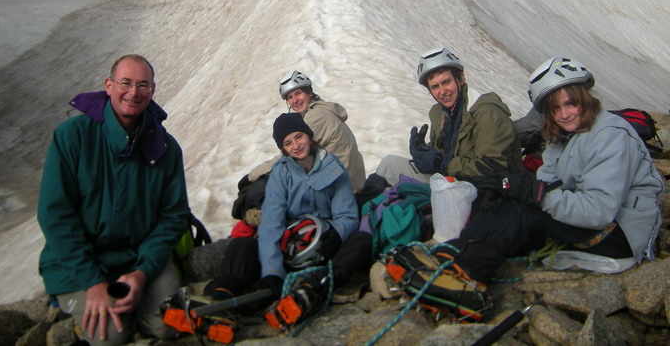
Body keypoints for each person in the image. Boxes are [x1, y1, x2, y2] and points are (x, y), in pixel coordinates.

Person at [405, 56, 665, 318]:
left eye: (570, 103)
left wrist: (535, 194)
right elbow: (547, 180)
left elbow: (598, 210)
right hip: (593, 220)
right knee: (501, 199)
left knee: (518, 210)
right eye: (554, 109)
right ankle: (452, 258)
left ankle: (467, 280)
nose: (564, 114)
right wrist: (524, 190)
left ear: (585, 98)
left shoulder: (610, 136)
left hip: (621, 235)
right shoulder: (563, 135)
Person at [37, 54, 189, 345]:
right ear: (108, 86)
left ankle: (136, 304)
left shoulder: (166, 149)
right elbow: (55, 215)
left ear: (152, 91)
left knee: (168, 326)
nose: (133, 93)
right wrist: (91, 282)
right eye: (125, 83)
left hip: (139, 257)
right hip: (81, 263)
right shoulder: (72, 137)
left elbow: (173, 216)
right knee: (111, 336)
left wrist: (142, 272)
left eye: (143, 85)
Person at [205, 113, 372, 322]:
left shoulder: (333, 166)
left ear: (309, 137)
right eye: (288, 142)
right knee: (242, 246)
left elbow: (346, 215)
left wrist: (338, 234)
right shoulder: (280, 174)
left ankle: (317, 285)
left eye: (299, 137)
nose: (296, 145)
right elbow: (271, 224)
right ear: (283, 149)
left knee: (361, 241)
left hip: (324, 244)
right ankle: (224, 293)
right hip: (290, 246)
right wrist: (272, 271)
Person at [231, 70, 366, 236]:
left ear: (309, 92)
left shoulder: (316, 117)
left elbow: (288, 158)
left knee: (264, 187)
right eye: (289, 97)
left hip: (344, 192)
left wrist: (252, 176)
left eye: (298, 93)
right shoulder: (319, 110)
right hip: (344, 181)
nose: (294, 100)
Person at [376, 47, 522, 185]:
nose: (442, 91)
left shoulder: (487, 114)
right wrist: (422, 151)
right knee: (389, 165)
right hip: (450, 181)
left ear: (461, 79)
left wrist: (441, 162)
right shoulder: (439, 112)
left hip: (481, 191)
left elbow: (493, 169)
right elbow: (442, 152)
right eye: (435, 87)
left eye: (446, 82)